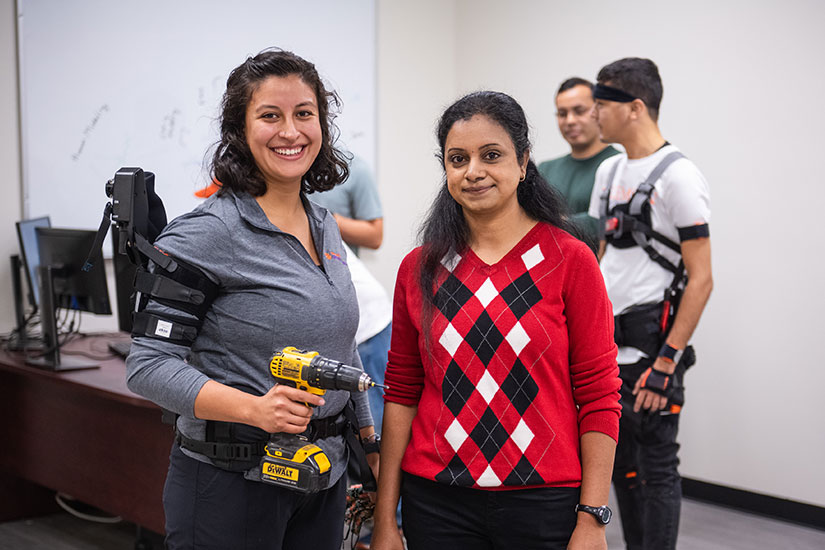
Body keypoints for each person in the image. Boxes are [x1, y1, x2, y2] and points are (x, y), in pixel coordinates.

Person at [125, 49, 378, 550]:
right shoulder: (206, 233)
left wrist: (369, 442)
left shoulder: (324, 224)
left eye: (304, 114)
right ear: (239, 130)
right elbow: (147, 365)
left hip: (318, 480)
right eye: (270, 116)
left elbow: (338, 346)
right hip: (230, 486)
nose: (291, 131)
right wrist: (253, 410)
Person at [372, 91, 621, 550]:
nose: (474, 171)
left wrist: (593, 518)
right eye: (458, 158)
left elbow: (600, 394)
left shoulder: (570, 260)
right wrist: (386, 518)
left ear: (523, 161)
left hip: (545, 502)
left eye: (492, 155)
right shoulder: (419, 269)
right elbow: (402, 393)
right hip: (436, 502)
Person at [587, 57, 713, 550]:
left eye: (603, 104)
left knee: (657, 468)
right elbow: (600, 257)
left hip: (652, 349)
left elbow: (701, 280)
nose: (595, 113)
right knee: (623, 466)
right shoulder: (608, 170)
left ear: (635, 108)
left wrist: (667, 363)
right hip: (609, 348)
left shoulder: (679, 177)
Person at [311, 156, 392, 433]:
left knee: (374, 426)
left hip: (367, 322)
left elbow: (375, 235)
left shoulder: (353, 170)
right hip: (341, 315)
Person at [538, 77, 619, 249]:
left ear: (597, 111)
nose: (570, 121)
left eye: (579, 111)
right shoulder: (545, 170)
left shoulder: (619, 166)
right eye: (562, 114)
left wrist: (553, 223)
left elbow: (610, 224)